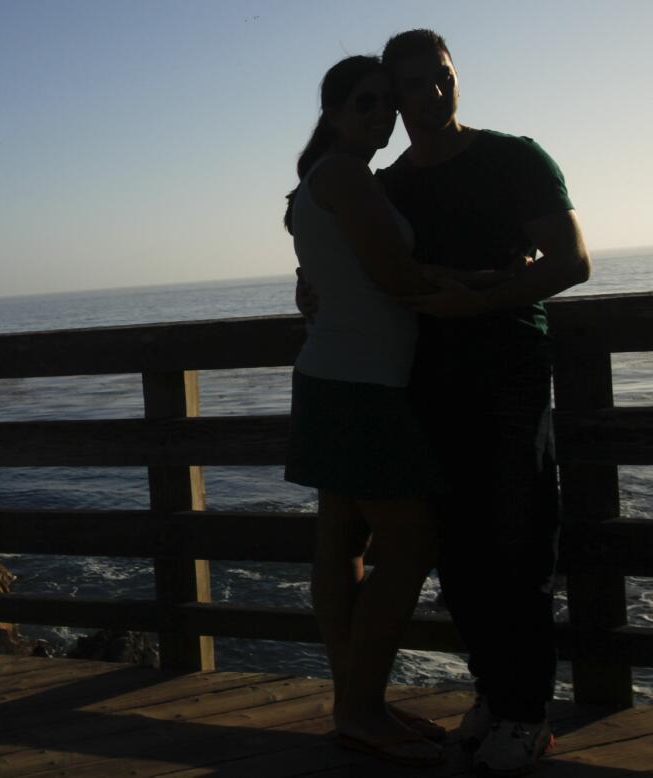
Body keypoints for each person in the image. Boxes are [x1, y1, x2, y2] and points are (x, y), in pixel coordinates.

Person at [300, 30, 592, 775]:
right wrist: (465, 293)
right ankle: (495, 697)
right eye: (408, 89)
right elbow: (346, 274)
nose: (427, 97)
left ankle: (527, 714)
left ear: (457, 75)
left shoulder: (513, 158)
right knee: (456, 552)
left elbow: (571, 262)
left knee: (516, 541)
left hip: (507, 374)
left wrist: (484, 297)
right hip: (420, 379)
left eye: (441, 79)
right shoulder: (387, 182)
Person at [283, 54, 460, 768]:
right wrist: (495, 280)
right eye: (366, 103)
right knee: (410, 543)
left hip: (337, 378)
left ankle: (357, 703)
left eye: (388, 103)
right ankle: (360, 707)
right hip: (358, 385)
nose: (382, 115)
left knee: (343, 541)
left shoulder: (318, 180)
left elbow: (332, 271)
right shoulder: (345, 175)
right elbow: (393, 276)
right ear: (331, 111)